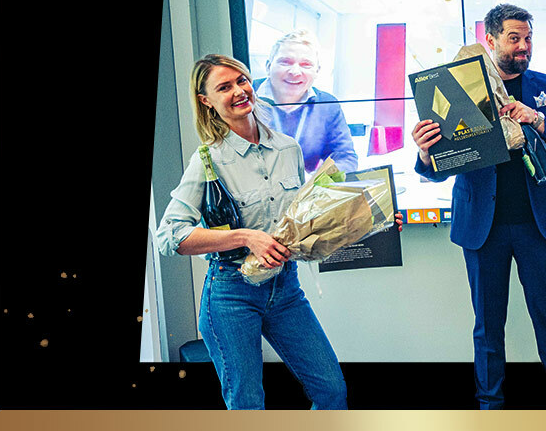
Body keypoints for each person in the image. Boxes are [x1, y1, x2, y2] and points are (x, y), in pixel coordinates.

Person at [155, 54, 401, 410]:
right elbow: (169, 236)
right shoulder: (209, 159)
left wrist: (374, 218)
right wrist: (245, 237)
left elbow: (308, 219)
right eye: (224, 87)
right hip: (231, 294)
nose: (239, 91)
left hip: (286, 290)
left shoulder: (288, 148)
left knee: (332, 390)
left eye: (241, 81)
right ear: (206, 100)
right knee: (247, 404)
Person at [411, 4, 546, 410]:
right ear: (489, 40)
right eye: (514, 38)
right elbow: (438, 171)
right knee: (488, 327)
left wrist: (539, 121)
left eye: (528, 38)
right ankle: (490, 408)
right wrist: (424, 153)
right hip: (482, 228)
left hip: (537, 225)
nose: (524, 46)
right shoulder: (456, 89)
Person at [255, 29, 358, 174]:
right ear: (268, 66)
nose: (295, 72)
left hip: (306, 192)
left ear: (317, 71)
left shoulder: (327, 104)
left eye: (306, 65)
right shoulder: (244, 96)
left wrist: (317, 181)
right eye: (285, 62)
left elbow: (345, 157)